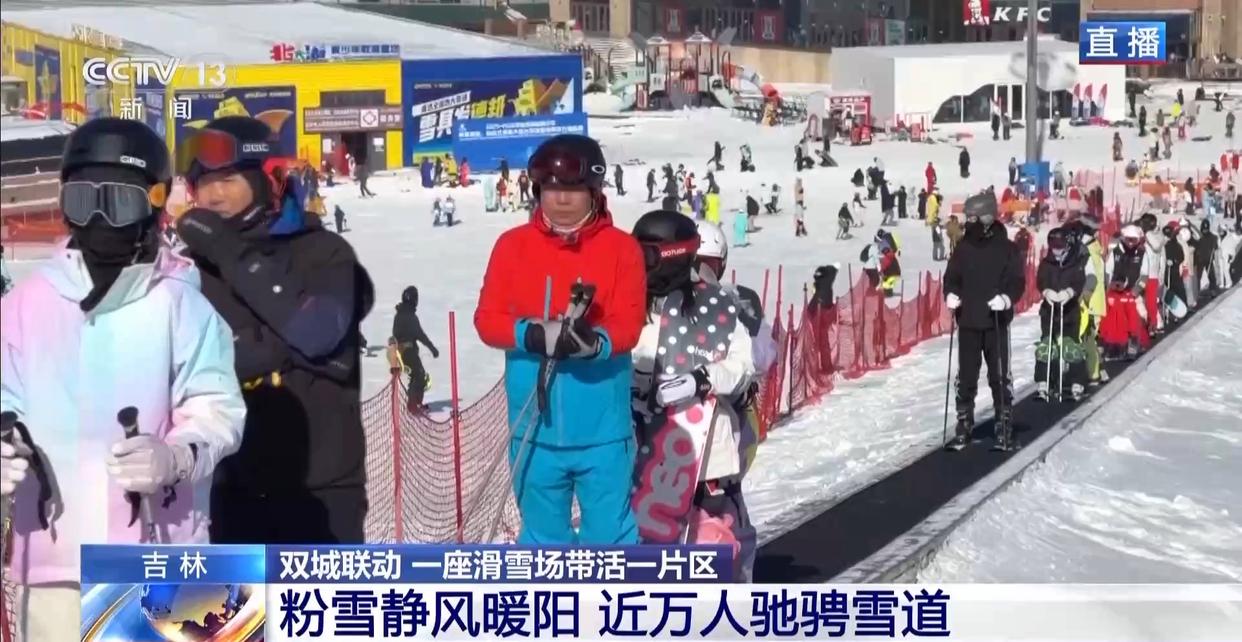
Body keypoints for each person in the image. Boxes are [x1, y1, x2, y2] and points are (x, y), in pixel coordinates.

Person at [0, 118, 245, 641]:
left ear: (154, 204)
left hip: (159, 557)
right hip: (52, 564)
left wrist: (175, 456)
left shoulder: (180, 305)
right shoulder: (25, 304)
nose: (99, 220)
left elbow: (217, 410)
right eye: (83, 201)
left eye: (119, 203)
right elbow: (5, 403)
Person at [176, 116, 375, 543]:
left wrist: (226, 250)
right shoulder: (188, 270)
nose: (213, 194)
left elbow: (321, 336)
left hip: (321, 490)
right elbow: (174, 365)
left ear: (266, 179)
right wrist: (280, 347)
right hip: (227, 487)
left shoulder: (323, 253)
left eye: (228, 179)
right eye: (203, 182)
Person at [473, 134, 645, 545]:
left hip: (603, 431)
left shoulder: (622, 250)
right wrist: (529, 334)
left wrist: (596, 344)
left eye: (574, 188)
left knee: (610, 540)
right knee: (543, 542)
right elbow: (487, 320)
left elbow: (629, 323)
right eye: (551, 188)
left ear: (594, 191)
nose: (562, 199)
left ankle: (614, 591)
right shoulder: (512, 247)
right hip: (535, 429)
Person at [629, 211, 755, 571]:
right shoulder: (628, 305)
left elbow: (743, 365)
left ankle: (730, 596)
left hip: (705, 458)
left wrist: (702, 379)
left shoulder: (715, 308)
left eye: (648, 256)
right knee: (646, 553)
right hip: (643, 458)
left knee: (716, 543)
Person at [943, 192, 1025, 451]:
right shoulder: (963, 248)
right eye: (968, 218)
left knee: (999, 376)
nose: (968, 223)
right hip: (968, 321)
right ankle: (964, 422)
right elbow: (952, 278)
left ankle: (1003, 423)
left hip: (995, 322)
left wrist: (1006, 298)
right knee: (966, 376)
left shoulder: (1007, 249)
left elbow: (1017, 281)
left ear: (987, 218)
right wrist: (951, 294)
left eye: (972, 218)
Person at [1034, 228, 1087, 402]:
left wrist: (1070, 292)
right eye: (1053, 244)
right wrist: (1046, 291)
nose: (1056, 249)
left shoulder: (1075, 262)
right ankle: (1044, 381)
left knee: (1070, 345)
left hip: (1069, 311)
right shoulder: (1046, 263)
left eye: (1060, 244)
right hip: (1049, 311)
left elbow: (1079, 281)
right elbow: (1040, 280)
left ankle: (1077, 382)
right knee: (1047, 345)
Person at [1100, 225, 1152, 360]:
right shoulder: (1115, 252)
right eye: (1128, 239)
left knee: (1138, 315)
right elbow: (1108, 272)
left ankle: (1135, 343)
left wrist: (1136, 290)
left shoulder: (1142, 254)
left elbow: (1144, 275)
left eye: (1134, 240)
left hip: (1133, 292)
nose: (1130, 243)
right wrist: (1108, 287)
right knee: (1111, 319)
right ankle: (1110, 345)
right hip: (1115, 293)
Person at [392, 286, 439, 413]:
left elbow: (395, 333)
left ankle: (414, 403)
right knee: (419, 375)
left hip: (401, 351)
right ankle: (413, 405)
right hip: (408, 351)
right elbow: (419, 334)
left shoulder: (399, 314)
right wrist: (432, 348)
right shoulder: (409, 316)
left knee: (416, 375)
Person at [1190, 218, 1220, 295]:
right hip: (1199, 259)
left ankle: (1213, 290)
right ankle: (1197, 291)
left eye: (1206, 229)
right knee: (1197, 277)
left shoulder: (1213, 237)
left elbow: (1215, 248)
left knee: (1211, 275)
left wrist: (1214, 255)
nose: (1205, 231)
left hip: (1208, 259)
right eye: (1203, 229)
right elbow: (1193, 240)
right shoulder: (1199, 236)